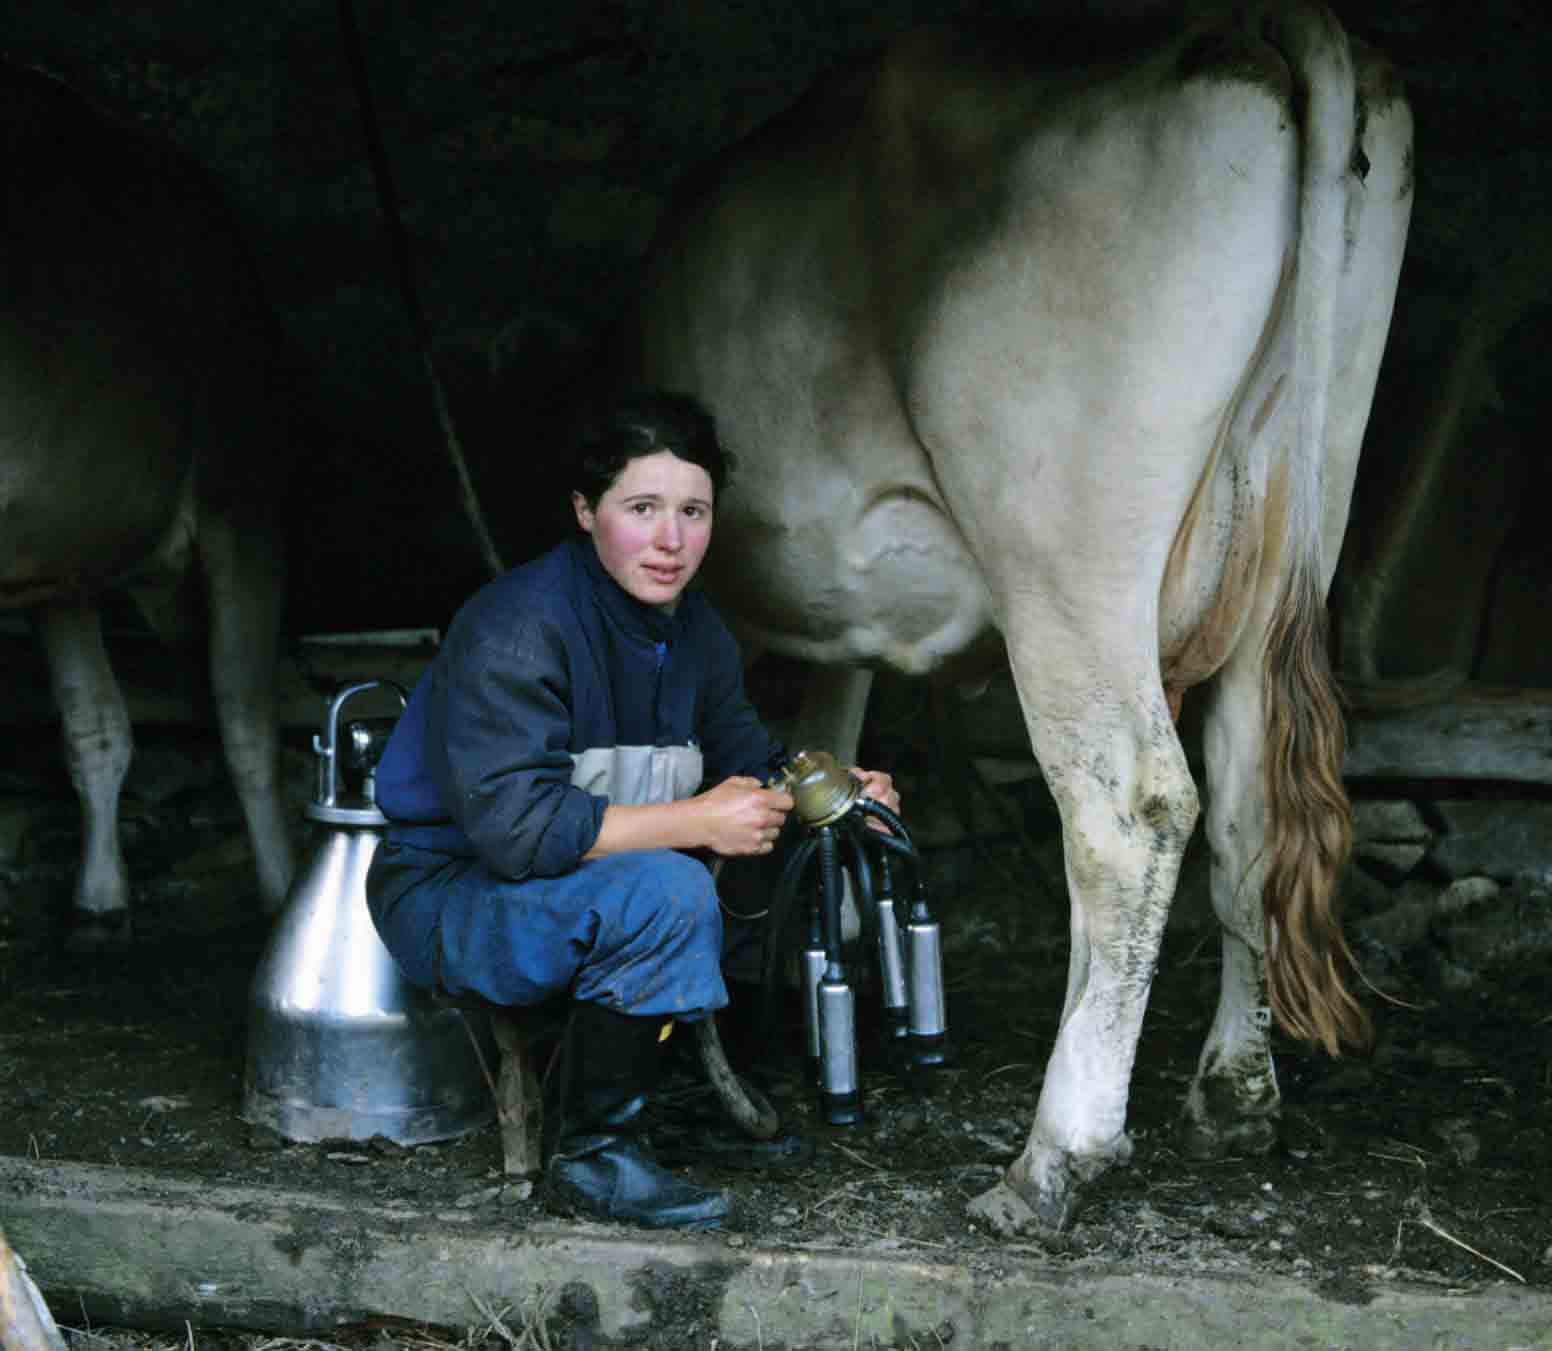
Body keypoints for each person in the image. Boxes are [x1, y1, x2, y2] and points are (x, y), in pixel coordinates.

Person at [365, 390, 899, 1231]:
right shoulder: (519, 629)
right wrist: (696, 822)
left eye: (694, 510)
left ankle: (682, 1084)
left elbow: (749, 764)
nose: (671, 539)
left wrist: (834, 791)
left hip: (582, 883)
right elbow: (520, 832)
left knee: (780, 865)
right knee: (670, 891)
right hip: (452, 893)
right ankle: (591, 1155)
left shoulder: (696, 636)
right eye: (640, 508)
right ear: (585, 510)